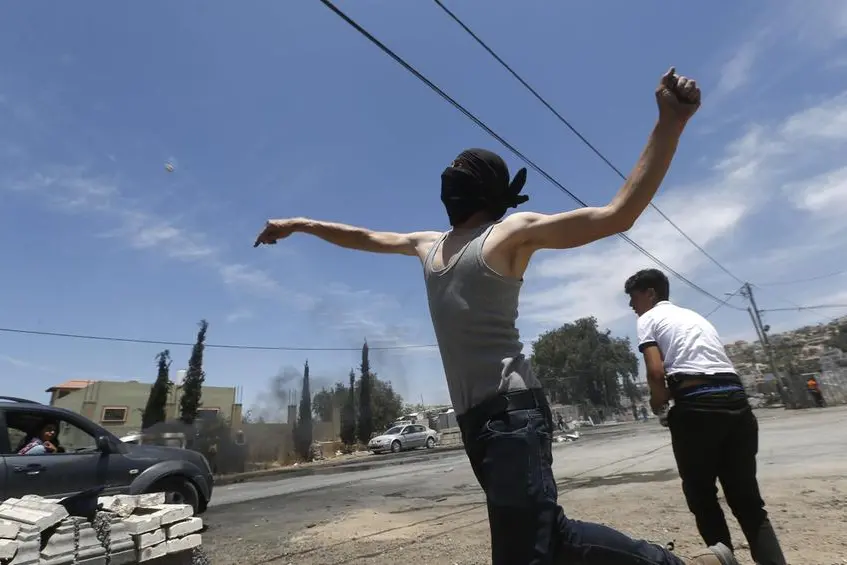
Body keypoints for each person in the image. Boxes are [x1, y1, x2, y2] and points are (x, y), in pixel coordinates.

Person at [256, 68, 735, 565]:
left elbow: (617, 214)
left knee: (522, 552)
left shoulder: (508, 234)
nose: (451, 174)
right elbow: (364, 237)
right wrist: (300, 225)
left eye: (463, 167)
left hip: (512, 416)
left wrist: (669, 124)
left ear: (483, 187)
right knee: (552, 539)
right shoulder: (428, 244)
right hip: (475, 421)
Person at [625, 268, 787, 565]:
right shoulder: (695, 317)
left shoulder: (648, 319)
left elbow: (655, 372)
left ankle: (721, 559)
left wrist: (658, 404)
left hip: (697, 411)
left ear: (650, 294)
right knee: (748, 503)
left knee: (702, 498)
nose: (631, 305)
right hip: (737, 405)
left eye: (633, 297)